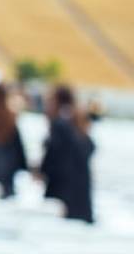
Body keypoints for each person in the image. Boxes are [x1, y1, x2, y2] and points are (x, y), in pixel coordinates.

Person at [39, 85, 95, 223]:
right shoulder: (76, 121)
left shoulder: (60, 125)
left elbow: (53, 157)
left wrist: (41, 171)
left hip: (63, 193)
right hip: (79, 194)